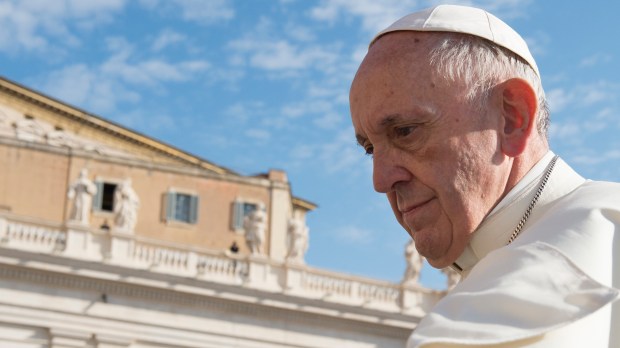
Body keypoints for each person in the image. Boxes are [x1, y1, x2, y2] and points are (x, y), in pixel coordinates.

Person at [349, 4, 620, 347]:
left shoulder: (576, 246)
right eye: (370, 149)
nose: (380, 180)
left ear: (512, 117)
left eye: (404, 131)